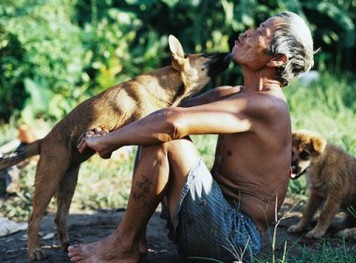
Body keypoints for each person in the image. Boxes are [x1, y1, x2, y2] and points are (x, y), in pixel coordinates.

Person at [68, 11, 314, 263]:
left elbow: (172, 123)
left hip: (236, 240)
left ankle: (123, 244)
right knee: (154, 127)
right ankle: (134, 240)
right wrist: (110, 135)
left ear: (278, 58)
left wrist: (107, 142)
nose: (247, 32)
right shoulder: (231, 94)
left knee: (167, 138)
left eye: (261, 33)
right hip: (209, 223)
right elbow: (155, 116)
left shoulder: (268, 106)